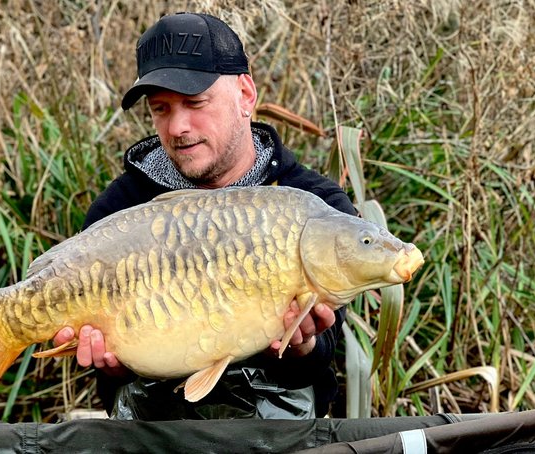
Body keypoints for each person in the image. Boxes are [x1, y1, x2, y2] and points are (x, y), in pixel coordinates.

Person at [52, 12, 357, 420]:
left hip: (276, 437)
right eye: (160, 109)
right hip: (156, 434)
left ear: (245, 94)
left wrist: (304, 346)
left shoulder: (314, 206)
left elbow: (323, 355)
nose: (178, 126)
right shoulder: (120, 211)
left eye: (195, 103)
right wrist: (116, 364)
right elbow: (109, 383)